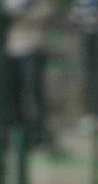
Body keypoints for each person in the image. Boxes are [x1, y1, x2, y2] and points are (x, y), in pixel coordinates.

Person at [3, 0, 55, 146]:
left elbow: (46, 12)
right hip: (13, 49)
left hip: (34, 48)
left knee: (34, 95)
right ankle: (12, 134)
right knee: (13, 95)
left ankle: (37, 134)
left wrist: (24, 13)